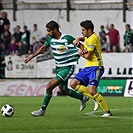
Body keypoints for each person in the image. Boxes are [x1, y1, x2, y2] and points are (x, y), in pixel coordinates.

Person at [24, 20, 90, 117]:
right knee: (63, 91)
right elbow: (43, 48)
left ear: (55, 30)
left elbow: (80, 45)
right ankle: (83, 97)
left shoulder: (67, 38)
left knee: (49, 86)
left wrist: (83, 51)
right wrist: (31, 57)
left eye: (49, 31)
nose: (48, 33)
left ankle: (42, 110)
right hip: (59, 67)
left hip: (68, 67)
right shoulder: (50, 39)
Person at [70, 20, 112, 117]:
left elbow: (88, 56)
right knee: (73, 84)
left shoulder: (93, 38)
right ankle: (91, 98)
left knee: (92, 90)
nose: (82, 32)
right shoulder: (89, 36)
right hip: (88, 67)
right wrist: (78, 39)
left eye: (83, 30)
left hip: (96, 67)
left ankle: (107, 111)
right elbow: (85, 38)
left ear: (89, 30)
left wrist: (80, 53)